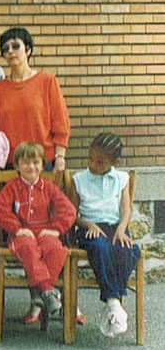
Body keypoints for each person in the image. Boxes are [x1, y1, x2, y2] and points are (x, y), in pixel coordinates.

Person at [0, 141, 76, 323]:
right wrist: (17, 228)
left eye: (36, 162)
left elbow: (69, 210)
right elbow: (0, 211)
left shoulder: (49, 188)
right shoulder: (12, 187)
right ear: (17, 166)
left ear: (43, 165)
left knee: (56, 249)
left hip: (45, 232)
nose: (31, 167)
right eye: (26, 163)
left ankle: (40, 293)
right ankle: (47, 290)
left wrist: (55, 229)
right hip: (22, 235)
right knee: (29, 248)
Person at [69, 132, 141, 337]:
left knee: (126, 249)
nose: (93, 164)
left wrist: (121, 228)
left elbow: (126, 209)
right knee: (100, 247)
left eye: (100, 162)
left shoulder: (122, 179)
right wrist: (88, 224)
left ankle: (112, 304)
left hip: (115, 227)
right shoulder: (79, 180)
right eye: (90, 158)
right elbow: (71, 214)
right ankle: (114, 302)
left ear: (114, 162)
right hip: (90, 228)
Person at [0, 27, 70, 172]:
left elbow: (60, 122)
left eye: (15, 46)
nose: (10, 51)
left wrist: (60, 157)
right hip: (10, 165)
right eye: (5, 49)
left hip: (43, 162)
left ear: (28, 49)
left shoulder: (47, 81)